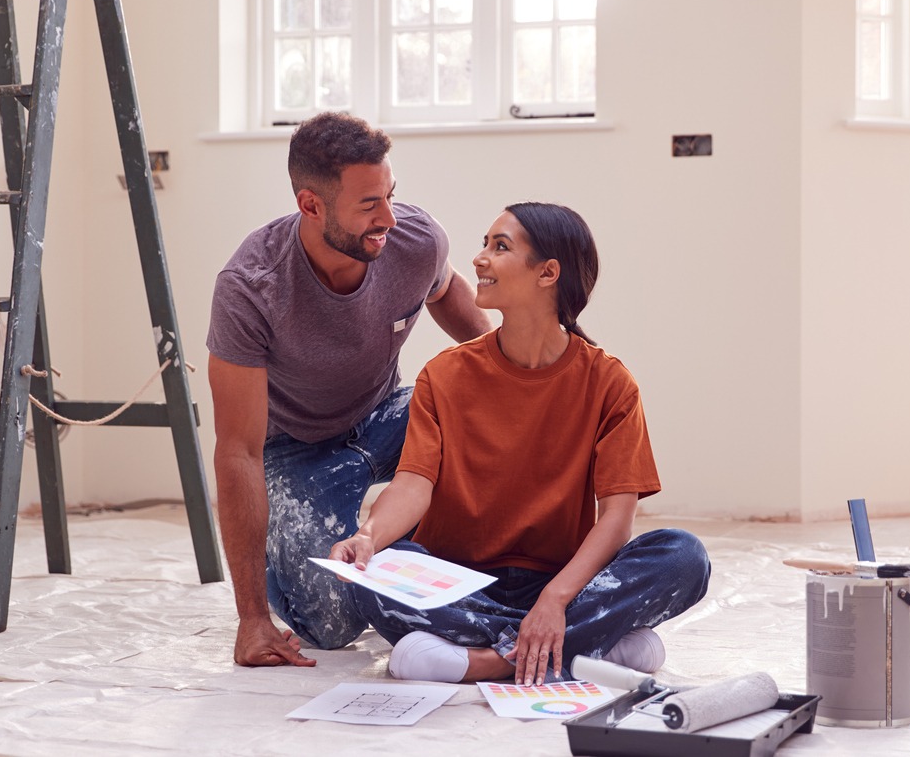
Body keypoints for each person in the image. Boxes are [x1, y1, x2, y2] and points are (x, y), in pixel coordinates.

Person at [329, 202, 711, 685]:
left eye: (500, 247)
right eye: (485, 244)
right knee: (379, 575)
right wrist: (368, 537)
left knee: (683, 556)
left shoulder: (610, 383)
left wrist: (554, 601)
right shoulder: (445, 374)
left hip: (562, 583)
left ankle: (489, 660)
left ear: (548, 273)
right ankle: (585, 647)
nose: (479, 259)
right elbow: (412, 484)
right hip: (455, 580)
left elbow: (617, 518)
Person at [206, 112, 491, 668]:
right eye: (368, 205)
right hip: (295, 451)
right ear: (311, 205)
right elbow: (237, 451)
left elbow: (467, 318)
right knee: (331, 626)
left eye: (390, 194)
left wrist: (538, 380)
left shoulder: (415, 241)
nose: (387, 216)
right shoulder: (250, 289)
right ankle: (309, 553)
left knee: (492, 405)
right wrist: (251, 619)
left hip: (386, 417)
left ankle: (445, 558)